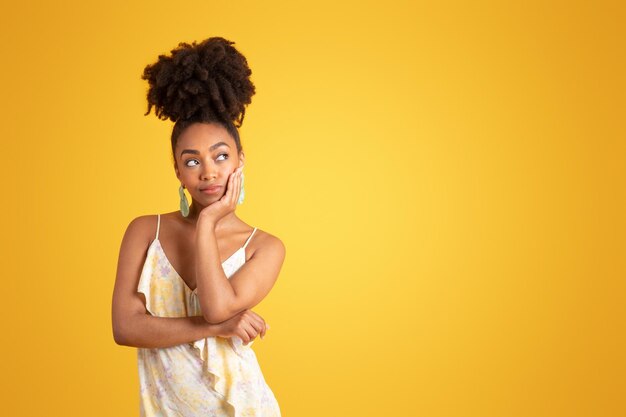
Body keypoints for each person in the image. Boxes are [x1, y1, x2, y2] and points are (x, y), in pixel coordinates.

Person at [111, 37, 285, 417]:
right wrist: (214, 329)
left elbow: (216, 306)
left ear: (240, 160)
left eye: (221, 156)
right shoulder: (145, 231)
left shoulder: (265, 247)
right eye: (192, 162)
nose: (208, 172)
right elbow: (125, 328)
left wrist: (207, 221)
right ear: (177, 169)